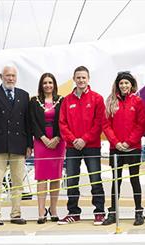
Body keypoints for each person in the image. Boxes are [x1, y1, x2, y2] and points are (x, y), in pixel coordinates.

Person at [0, 63, 32, 228]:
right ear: (1, 77)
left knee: (18, 183)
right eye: (7, 75)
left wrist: (29, 145)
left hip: (19, 145)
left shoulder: (24, 95)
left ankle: (16, 214)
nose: (10, 78)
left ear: (16, 78)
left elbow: (28, 123)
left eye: (13, 76)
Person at [57, 66, 106, 225]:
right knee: (71, 180)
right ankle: (73, 213)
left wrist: (84, 139)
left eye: (83, 77)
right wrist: (73, 140)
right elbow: (62, 124)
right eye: (78, 77)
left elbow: (99, 123)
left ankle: (99, 212)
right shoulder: (66, 100)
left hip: (91, 145)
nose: (81, 80)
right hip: (72, 147)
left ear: (88, 79)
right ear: (74, 79)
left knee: (95, 179)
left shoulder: (97, 98)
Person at [102, 71, 145, 226]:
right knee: (116, 181)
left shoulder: (138, 101)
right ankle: (113, 212)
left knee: (135, 179)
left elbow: (141, 125)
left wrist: (128, 142)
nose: (124, 85)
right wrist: (116, 142)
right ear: (117, 85)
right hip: (116, 148)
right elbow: (106, 125)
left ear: (131, 84)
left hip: (133, 148)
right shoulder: (110, 101)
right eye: (121, 83)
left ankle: (139, 212)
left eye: (126, 83)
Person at [29, 73, 65, 224]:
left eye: (50, 82)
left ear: (54, 84)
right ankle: (41, 211)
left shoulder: (61, 100)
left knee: (56, 177)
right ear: (41, 85)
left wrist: (57, 137)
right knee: (42, 177)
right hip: (40, 141)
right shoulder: (33, 101)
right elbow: (32, 122)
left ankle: (54, 209)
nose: (48, 85)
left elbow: (64, 120)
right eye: (45, 83)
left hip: (58, 140)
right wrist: (43, 138)